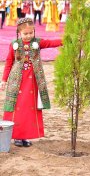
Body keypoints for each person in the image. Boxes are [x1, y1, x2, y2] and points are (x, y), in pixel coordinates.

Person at [0, 18, 62, 147]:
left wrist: (64, 41)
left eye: (31, 33)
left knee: (29, 108)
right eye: (25, 34)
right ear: (19, 33)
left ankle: (25, 136)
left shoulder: (38, 43)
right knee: (18, 108)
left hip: (33, 81)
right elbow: (9, 62)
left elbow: (51, 43)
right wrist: (4, 80)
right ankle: (17, 136)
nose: (28, 36)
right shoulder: (14, 44)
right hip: (17, 82)